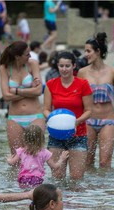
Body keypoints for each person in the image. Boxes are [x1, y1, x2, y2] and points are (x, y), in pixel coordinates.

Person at [44, 51, 93, 180]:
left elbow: (89, 111)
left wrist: (75, 122)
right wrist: (52, 119)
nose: (64, 69)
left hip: (78, 135)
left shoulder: (83, 84)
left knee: (76, 180)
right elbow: (46, 109)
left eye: (67, 66)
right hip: (56, 136)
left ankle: (76, 201)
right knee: (57, 178)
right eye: (61, 66)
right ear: (57, 67)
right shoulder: (50, 84)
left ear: (74, 66)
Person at [77, 32, 114, 171]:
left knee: (104, 162)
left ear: (98, 51)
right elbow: (79, 98)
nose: (85, 54)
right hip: (88, 121)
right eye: (85, 51)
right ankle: (91, 192)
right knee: (87, 162)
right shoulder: (82, 72)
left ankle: (106, 191)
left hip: (108, 120)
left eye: (88, 51)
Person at [0, 41, 44, 155]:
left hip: (35, 116)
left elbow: (38, 91)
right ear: (17, 56)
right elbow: (6, 96)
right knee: (16, 158)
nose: (30, 56)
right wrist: (30, 91)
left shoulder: (32, 64)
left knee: (36, 155)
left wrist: (16, 90)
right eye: (27, 54)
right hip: (15, 118)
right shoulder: (4, 68)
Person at [7, 124, 69, 189]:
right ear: (41, 138)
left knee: (24, 194)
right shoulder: (45, 152)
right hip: (37, 179)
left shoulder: (21, 151)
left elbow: (12, 163)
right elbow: (54, 167)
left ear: (25, 138)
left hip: (23, 179)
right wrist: (61, 159)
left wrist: (9, 159)